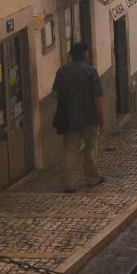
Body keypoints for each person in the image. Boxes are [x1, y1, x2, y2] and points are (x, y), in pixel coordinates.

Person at [52, 42, 105, 193]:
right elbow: (98, 97)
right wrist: (102, 118)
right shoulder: (90, 71)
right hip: (89, 118)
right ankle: (93, 179)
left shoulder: (62, 72)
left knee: (70, 151)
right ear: (85, 54)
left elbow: (55, 93)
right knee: (90, 149)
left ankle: (69, 184)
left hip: (69, 119)